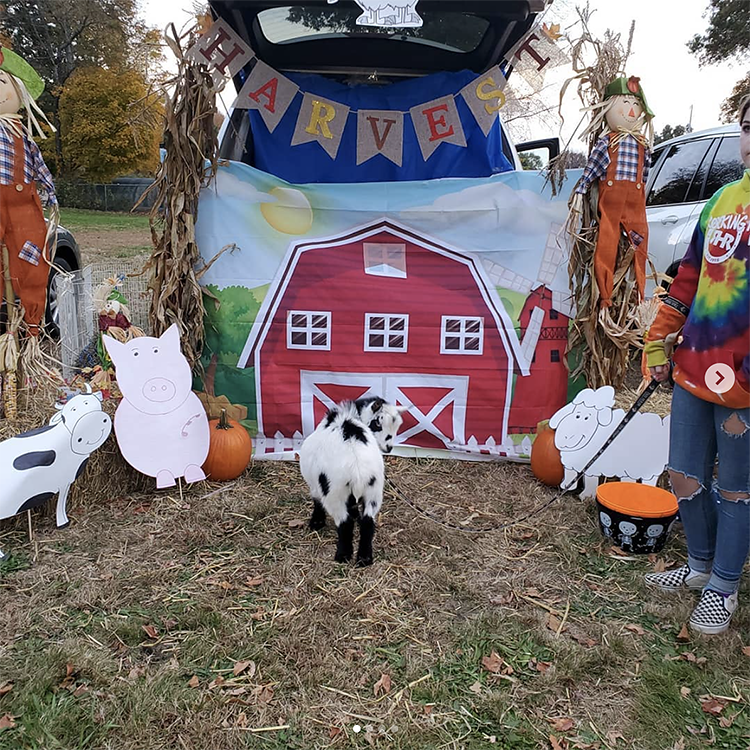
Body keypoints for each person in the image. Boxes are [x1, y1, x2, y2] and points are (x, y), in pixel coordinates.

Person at [643, 94, 750, 634]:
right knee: (685, 474)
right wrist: (661, 335)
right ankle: (699, 565)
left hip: (746, 386)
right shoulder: (723, 200)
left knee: (736, 486)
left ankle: (724, 586)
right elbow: (687, 277)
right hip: (694, 364)